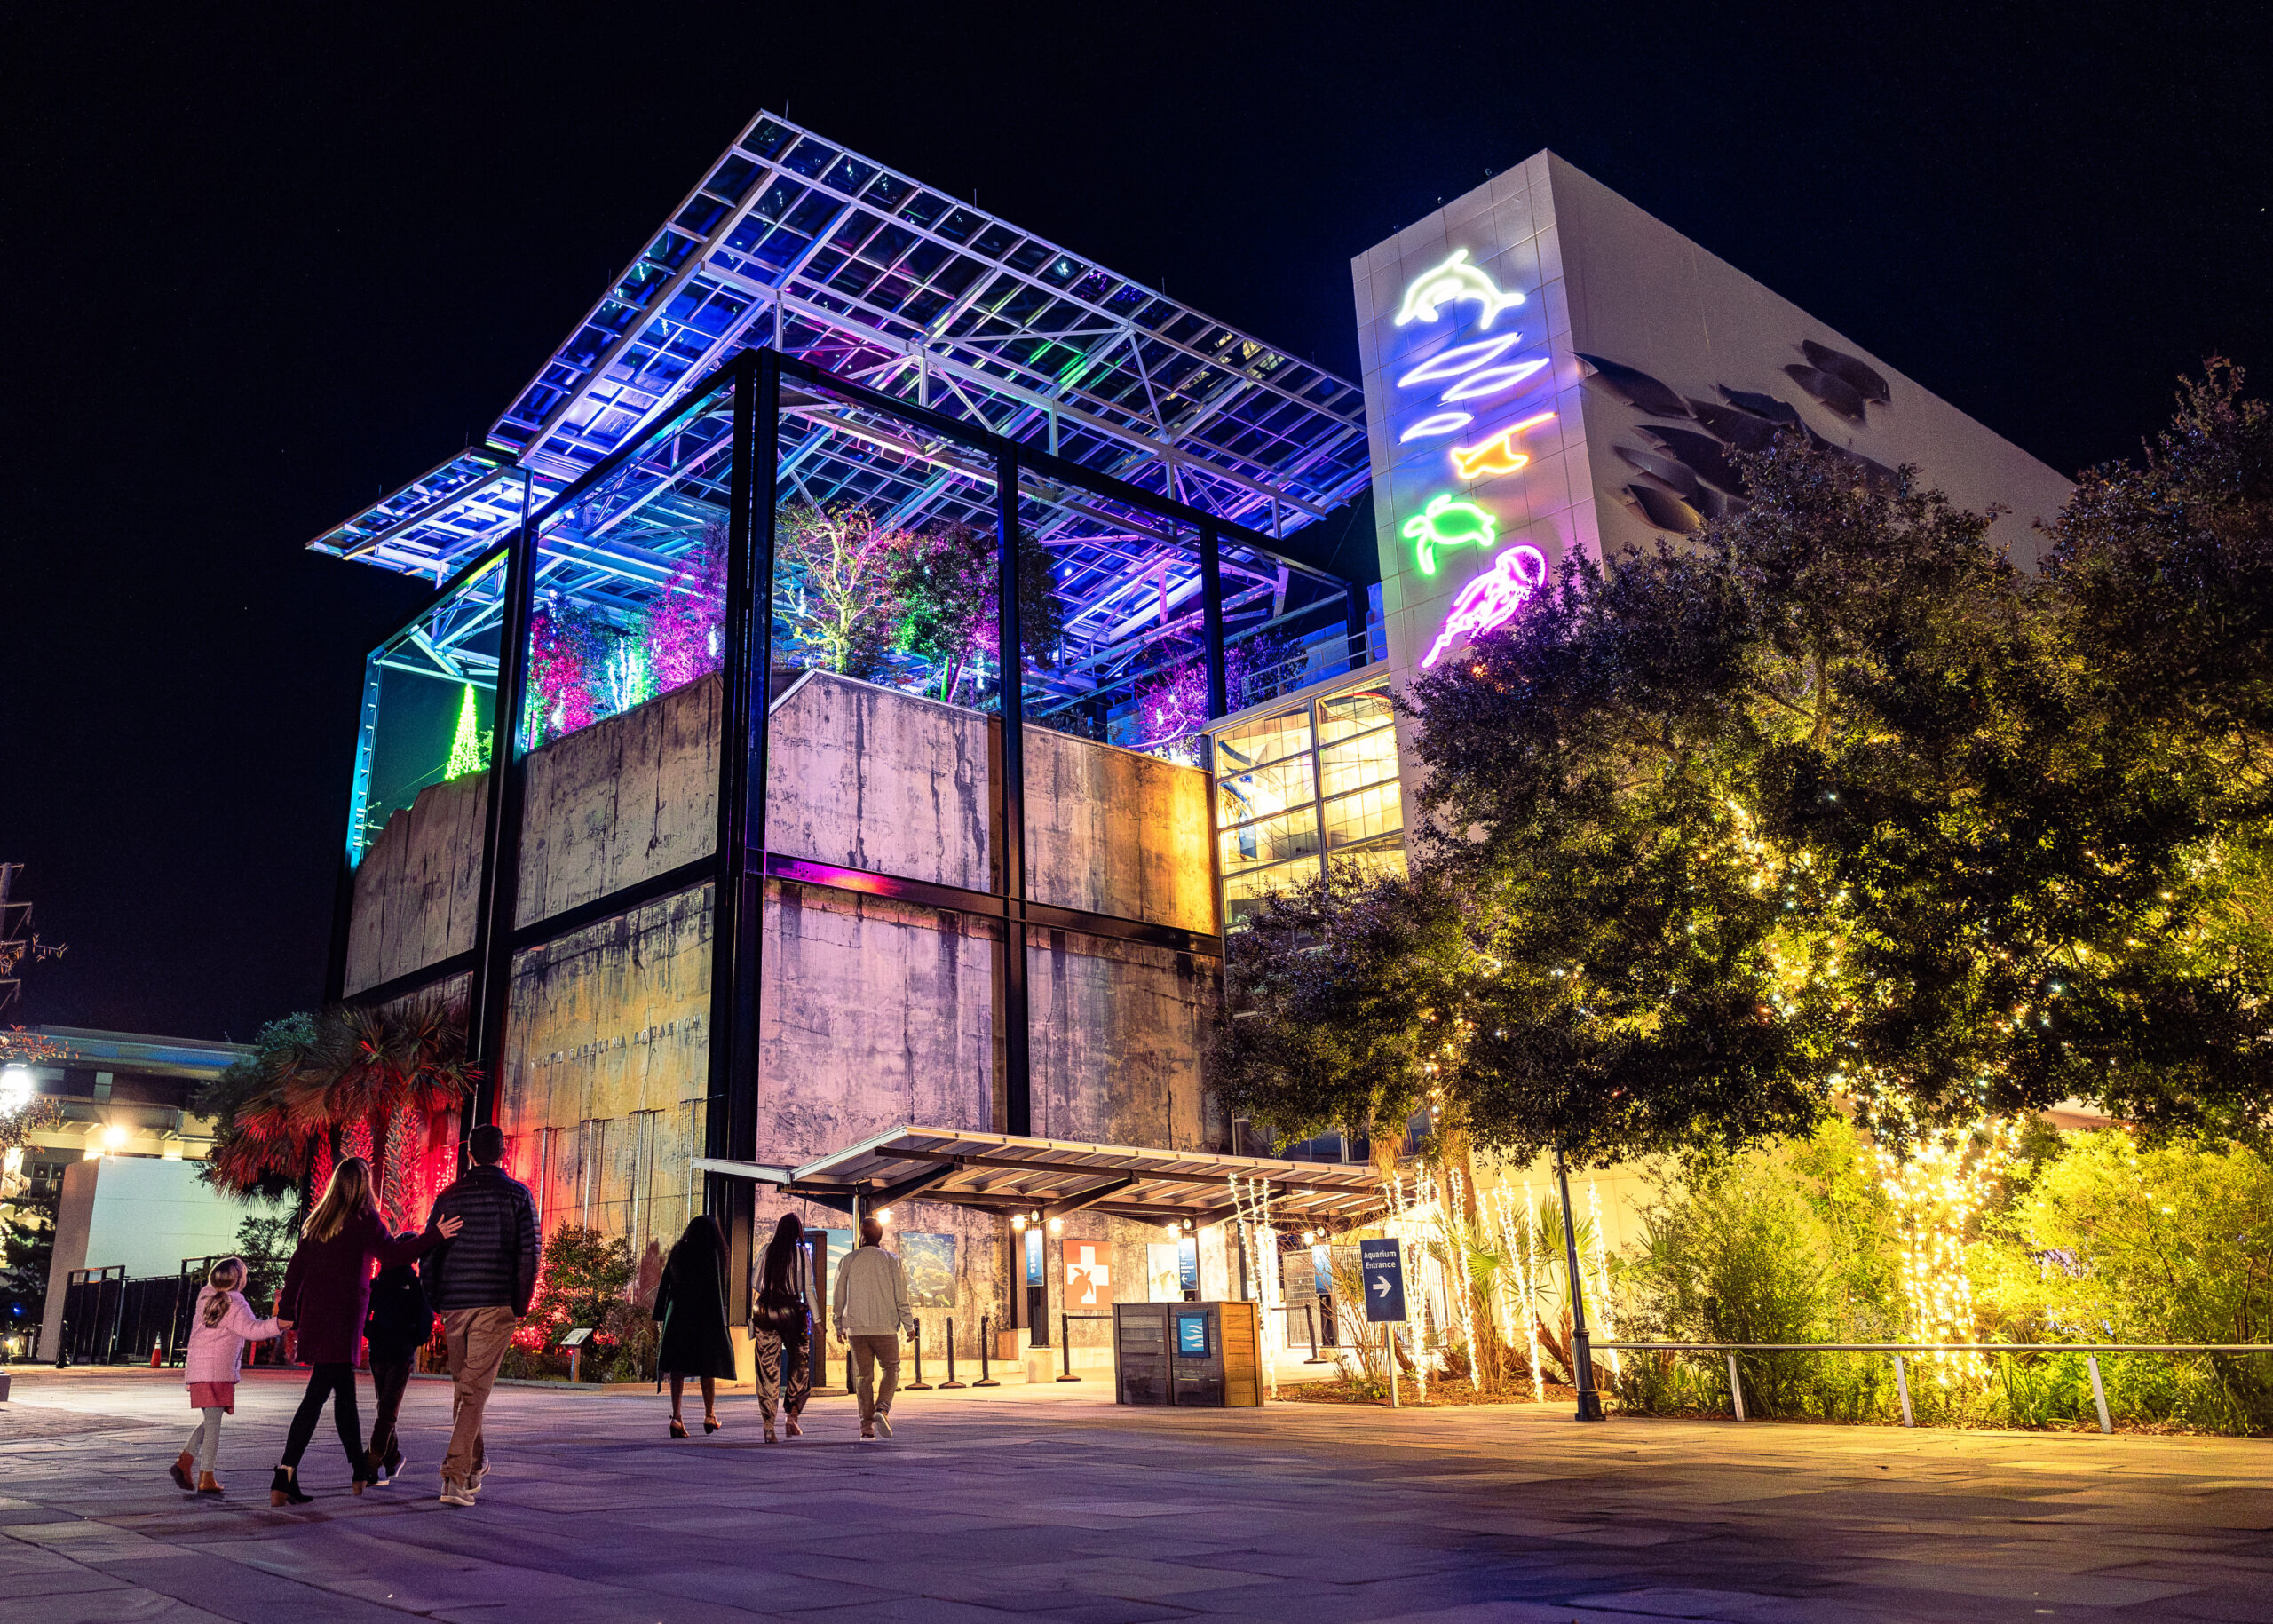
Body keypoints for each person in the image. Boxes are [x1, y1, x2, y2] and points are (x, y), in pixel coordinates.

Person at [271, 1158, 461, 1506]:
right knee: (317, 1397)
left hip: (318, 1317)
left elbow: (296, 1269)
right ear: (364, 1186)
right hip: (343, 1321)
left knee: (345, 1396)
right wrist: (435, 1235)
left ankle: (359, 1470)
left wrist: (288, 1313)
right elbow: (394, 1253)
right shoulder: (363, 1220)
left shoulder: (318, 1222)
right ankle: (285, 1472)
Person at [423, 1121, 539, 1509]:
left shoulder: (449, 1196)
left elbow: (430, 1252)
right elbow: (529, 1254)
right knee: (472, 1391)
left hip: (455, 1303)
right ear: (502, 1153)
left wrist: (436, 1299)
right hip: (494, 1300)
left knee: (467, 1388)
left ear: (469, 1153)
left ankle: (474, 1466)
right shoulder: (518, 1196)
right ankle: (454, 1476)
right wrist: (520, 1304)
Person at [173, 1256, 288, 1496]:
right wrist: (280, 1323)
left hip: (199, 1370)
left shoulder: (205, 1298)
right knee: (214, 1426)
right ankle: (206, 1477)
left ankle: (185, 1461)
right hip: (218, 1371)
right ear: (237, 1279)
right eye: (245, 1274)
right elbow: (253, 1330)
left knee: (211, 1421)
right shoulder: (235, 1303)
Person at [654, 1215, 737, 1438]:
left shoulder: (679, 1251)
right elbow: (717, 1292)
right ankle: (709, 1414)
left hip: (677, 1317)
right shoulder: (713, 1255)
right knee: (707, 1365)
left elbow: (665, 1285)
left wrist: (660, 1313)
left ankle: (676, 1417)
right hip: (704, 1318)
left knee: (677, 1368)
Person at [832, 1216, 913, 1442]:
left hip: (856, 1329)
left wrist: (838, 1324)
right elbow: (901, 1296)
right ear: (880, 1237)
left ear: (862, 1236)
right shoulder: (892, 1260)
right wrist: (908, 1325)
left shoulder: (848, 1259)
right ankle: (883, 1408)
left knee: (863, 1376)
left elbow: (838, 1294)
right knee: (891, 1368)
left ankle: (866, 1427)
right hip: (885, 1327)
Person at [361, 1260, 431, 1488]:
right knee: (386, 1409)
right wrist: (413, 1339)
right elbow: (426, 1319)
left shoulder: (382, 1282)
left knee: (386, 1408)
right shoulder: (412, 1284)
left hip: (386, 1351)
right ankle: (386, 1458)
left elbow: (363, 1311)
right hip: (395, 1352)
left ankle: (374, 1461)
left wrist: (372, 1333)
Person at [749, 1213, 812, 1444]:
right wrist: (817, 1320)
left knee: (767, 1369)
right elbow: (809, 1289)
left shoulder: (767, 1249)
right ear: (797, 1232)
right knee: (800, 1360)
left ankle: (768, 1426)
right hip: (791, 1311)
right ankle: (792, 1415)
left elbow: (755, 1282)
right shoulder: (801, 1253)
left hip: (764, 1310)